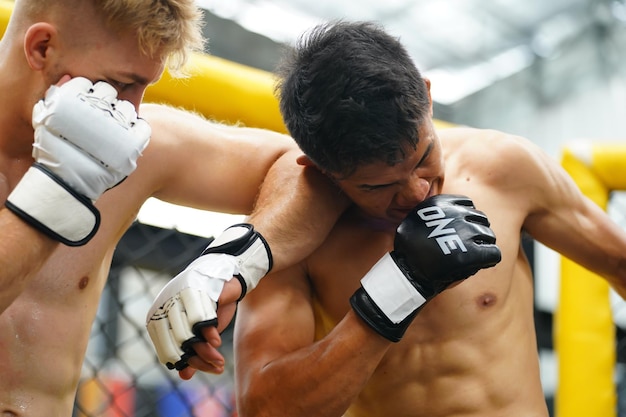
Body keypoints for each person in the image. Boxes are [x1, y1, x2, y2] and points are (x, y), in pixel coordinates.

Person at [229, 21, 626, 417]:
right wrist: (396, 292)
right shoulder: (289, 239)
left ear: (429, 97)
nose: (417, 192)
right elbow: (265, 410)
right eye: (376, 186)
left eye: (424, 158)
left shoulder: (504, 168)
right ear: (319, 168)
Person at [0, 1, 347, 416]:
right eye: (119, 83)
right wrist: (63, 186)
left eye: (145, 86)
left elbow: (308, 168)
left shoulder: (137, 141)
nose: (131, 111)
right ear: (41, 48)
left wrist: (228, 264)